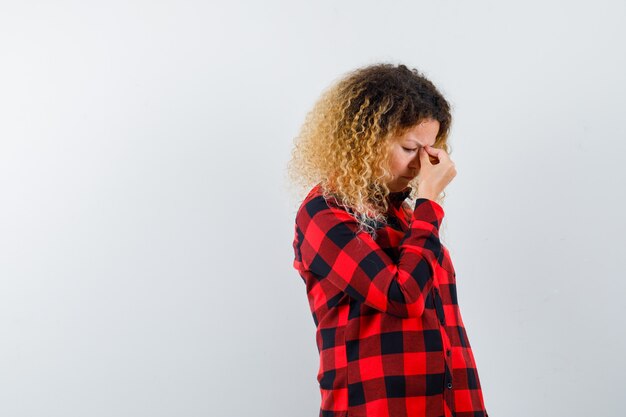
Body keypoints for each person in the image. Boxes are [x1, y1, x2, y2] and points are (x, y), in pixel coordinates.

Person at [287, 63, 489, 417]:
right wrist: (429, 201)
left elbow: (447, 332)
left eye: (430, 150)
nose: (422, 165)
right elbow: (402, 296)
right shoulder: (324, 213)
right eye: (410, 148)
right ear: (366, 140)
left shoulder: (405, 216)